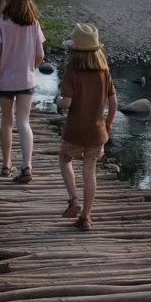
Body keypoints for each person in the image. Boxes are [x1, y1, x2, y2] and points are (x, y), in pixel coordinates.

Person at [56, 23, 117, 231]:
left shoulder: (71, 73)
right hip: (96, 133)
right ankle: (86, 217)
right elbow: (114, 102)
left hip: (74, 131)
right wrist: (107, 123)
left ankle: (73, 199)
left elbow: (66, 103)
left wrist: (58, 99)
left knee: (65, 159)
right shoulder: (104, 72)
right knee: (89, 171)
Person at [0, 0, 45, 183]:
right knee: (24, 123)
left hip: (5, 80)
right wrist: (31, 69)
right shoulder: (34, 24)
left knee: (7, 122)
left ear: (8, 0)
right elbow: (40, 55)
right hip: (26, 79)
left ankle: (6, 165)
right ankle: (27, 166)